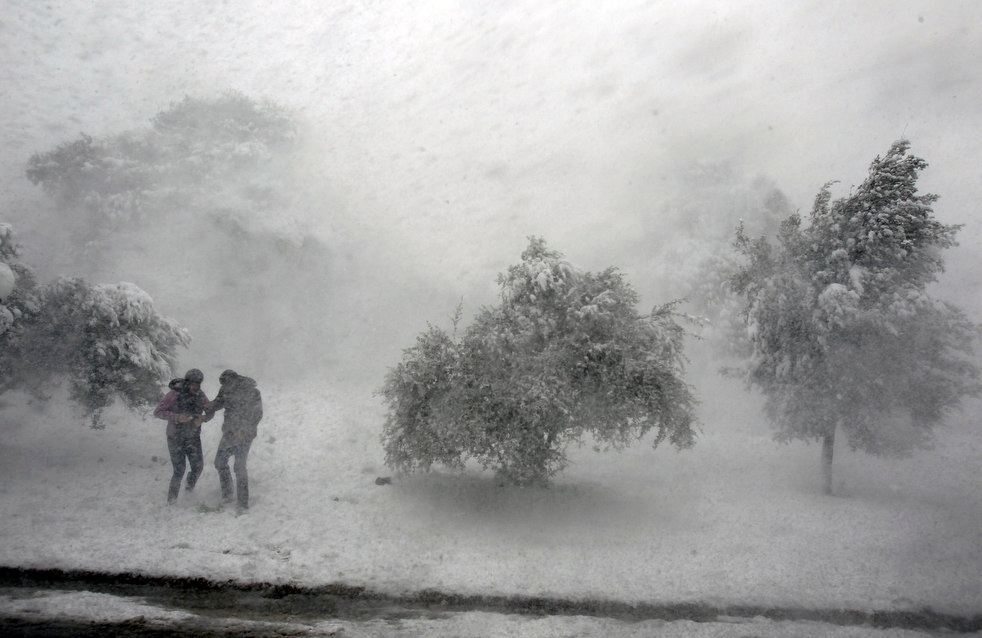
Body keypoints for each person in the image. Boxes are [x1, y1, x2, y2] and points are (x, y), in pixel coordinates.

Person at [206, 369, 263, 511]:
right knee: (220, 462)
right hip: (229, 433)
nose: (225, 388)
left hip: (245, 436)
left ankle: (243, 503)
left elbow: (257, 414)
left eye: (227, 384)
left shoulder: (252, 392)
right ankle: (227, 494)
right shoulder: (226, 389)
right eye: (223, 385)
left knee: (239, 466)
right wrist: (200, 405)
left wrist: (243, 430)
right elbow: (216, 404)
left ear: (235, 380)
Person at [154, 368, 211, 504]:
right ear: (187, 382)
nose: (196, 387)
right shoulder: (174, 394)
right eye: (193, 384)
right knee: (179, 470)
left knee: (198, 466)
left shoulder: (200, 395)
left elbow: (210, 410)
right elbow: (158, 412)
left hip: (193, 437)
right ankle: (171, 500)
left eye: (198, 384)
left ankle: (189, 489)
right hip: (175, 437)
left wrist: (203, 418)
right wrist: (177, 417)